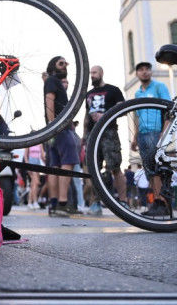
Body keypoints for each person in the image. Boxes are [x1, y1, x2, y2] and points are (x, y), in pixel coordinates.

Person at [130, 61, 172, 216]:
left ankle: (162, 202)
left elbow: (168, 109)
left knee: (156, 169)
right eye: (140, 69)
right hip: (142, 134)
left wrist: (164, 131)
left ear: (151, 72)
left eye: (147, 69)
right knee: (149, 170)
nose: (144, 72)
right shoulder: (137, 93)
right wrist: (135, 138)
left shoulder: (159, 87)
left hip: (156, 131)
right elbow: (138, 116)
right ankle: (157, 202)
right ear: (137, 74)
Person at [82, 65, 126, 211]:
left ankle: (123, 201)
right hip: (91, 134)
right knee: (93, 169)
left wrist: (105, 115)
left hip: (109, 133)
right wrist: (84, 136)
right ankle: (95, 203)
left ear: (101, 73)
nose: (92, 75)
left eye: (94, 73)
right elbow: (86, 115)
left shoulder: (113, 90)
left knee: (115, 166)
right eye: (91, 73)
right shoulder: (88, 94)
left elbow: (123, 109)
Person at [43, 55, 80, 217]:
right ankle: (63, 203)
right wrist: (54, 125)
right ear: (52, 67)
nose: (65, 66)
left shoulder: (52, 81)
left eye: (66, 63)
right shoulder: (53, 81)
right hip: (60, 128)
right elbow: (49, 101)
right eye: (61, 63)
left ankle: (55, 203)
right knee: (68, 162)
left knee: (55, 166)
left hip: (55, 129)